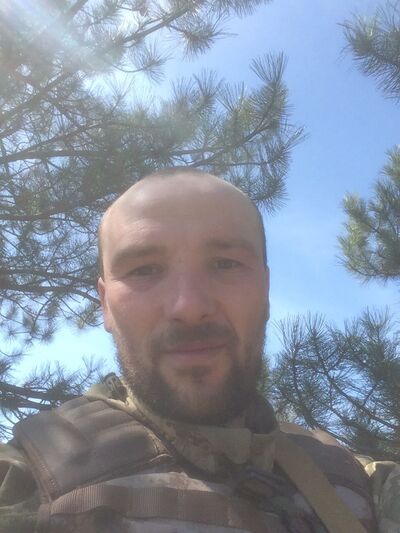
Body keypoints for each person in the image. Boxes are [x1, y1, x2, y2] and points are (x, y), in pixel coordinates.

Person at [0, 168, 399, 533]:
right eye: (144, 270)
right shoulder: (23, 484)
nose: (189, 306)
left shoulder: (363, 484)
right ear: (105, 304)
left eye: (225, 264)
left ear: (265, 289)